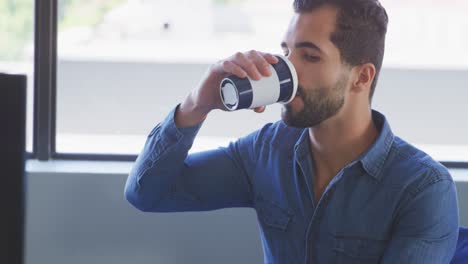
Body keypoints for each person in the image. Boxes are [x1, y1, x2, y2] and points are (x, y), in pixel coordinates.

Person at [124, 0, 459, 263]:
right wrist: (196, 104)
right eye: (286, 52)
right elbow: (147, 193)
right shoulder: (266, 151)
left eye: (309, 57)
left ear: (361, 77)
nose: (288, 71)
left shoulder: (423, 189)